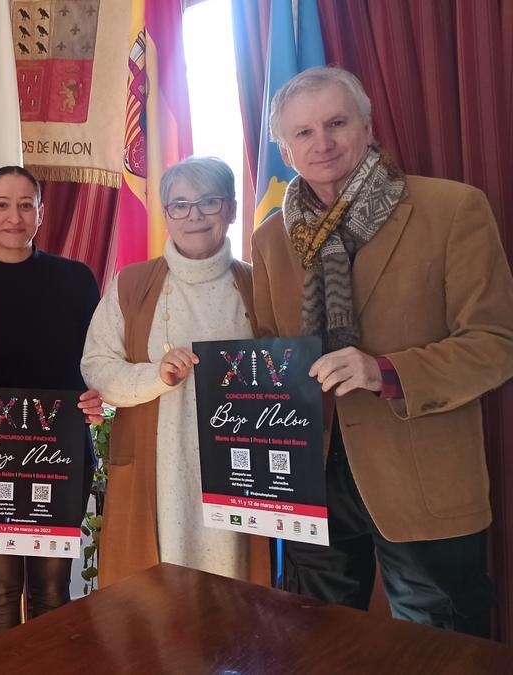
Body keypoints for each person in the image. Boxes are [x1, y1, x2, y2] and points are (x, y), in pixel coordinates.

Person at [252, 66, 513, 636]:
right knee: (319, 643)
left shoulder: (453, 210)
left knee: (438, 647)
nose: (321, 142)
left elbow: (496, 344)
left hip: (421, 476)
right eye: (302, 133)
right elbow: (271, 351)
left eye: (336, 122)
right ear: (285, 151)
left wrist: (384, 371)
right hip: (310, 480)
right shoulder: (270, 239)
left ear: (367, 127)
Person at [81, 156, 271, 587]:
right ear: (166, 214)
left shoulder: (259, 287)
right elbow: (96, 365)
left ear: (232, 209)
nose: (195, 216)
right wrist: (157, 377)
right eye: (180, 205)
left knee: (234, 592)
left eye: (209, 202)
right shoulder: (132, 284)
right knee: (151, 600)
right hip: (157, 467)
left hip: (238, 470)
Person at [0, 165, 103, 639]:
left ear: (41, 213)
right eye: (2, 205)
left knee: (52, 588)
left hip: (62, 455)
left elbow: (96, 366)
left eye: (25, 205)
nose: (14, 217)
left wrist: (99, 398)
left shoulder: (76, 281)